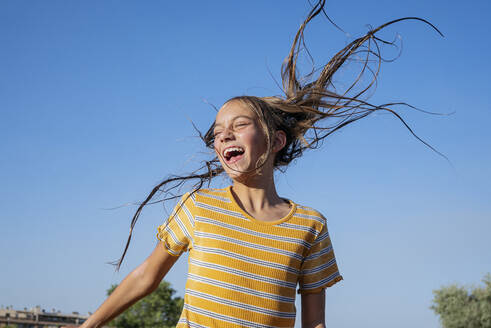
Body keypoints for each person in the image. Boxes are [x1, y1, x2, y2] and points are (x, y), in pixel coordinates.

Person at [79, 1, 445, 328]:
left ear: (276, 141)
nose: (224, 136)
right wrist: (88, 326)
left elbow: (314, 322)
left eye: (239, 125)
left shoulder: (310, 226)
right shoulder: (197, 207)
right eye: (218, 132)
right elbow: (146, 277)